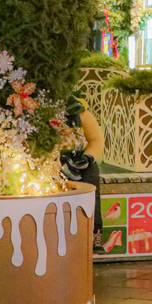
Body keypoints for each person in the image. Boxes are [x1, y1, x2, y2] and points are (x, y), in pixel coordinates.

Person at [61, 100, 106, 250]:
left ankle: (95, 231)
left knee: (91, 175)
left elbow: (96, 139)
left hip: (79, 159)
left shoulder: (79, 110)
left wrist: (87, 157)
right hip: (52, 161)